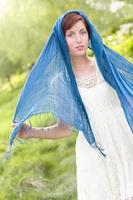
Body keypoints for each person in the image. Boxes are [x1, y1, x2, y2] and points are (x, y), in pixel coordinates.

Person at [11, 10, 133, 200]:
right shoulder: (61, 83)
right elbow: (65, 129)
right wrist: (30, 132)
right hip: (95, 154)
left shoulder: (105, 64)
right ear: (62, 39)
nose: (79, 39)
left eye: (82, 32)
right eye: (71, 34)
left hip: (124, 140)